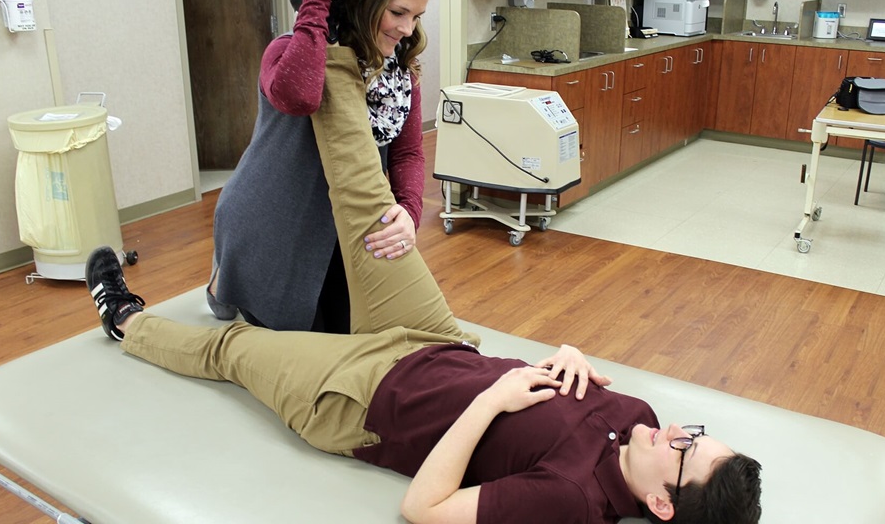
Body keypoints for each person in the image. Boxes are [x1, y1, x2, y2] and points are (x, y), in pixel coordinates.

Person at [86, 36, 762, 524]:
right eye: (692, 429)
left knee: (232, 348)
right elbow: (560, 398)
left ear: (662, 503)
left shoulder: (573, 502)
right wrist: (564, 357)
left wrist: (496, 398)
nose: (674, 429)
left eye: (686, 447)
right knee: (367, 204)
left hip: (361, 400)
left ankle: (123, 320)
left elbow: (423, 506)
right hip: (437, 343)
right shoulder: (639, 421)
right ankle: (338, 42)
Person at [207, 0, 433, 334]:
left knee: (347, 335)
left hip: (336, 230)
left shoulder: (399, 77)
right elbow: (300, 97)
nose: (407, 29)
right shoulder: (287, 50)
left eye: (416, 16)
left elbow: (408, 153)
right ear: (365, 1)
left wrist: (409, 212)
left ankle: (227, 280)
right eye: (397, 13)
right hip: (268, 220)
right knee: (280, 336)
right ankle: (223, 283)